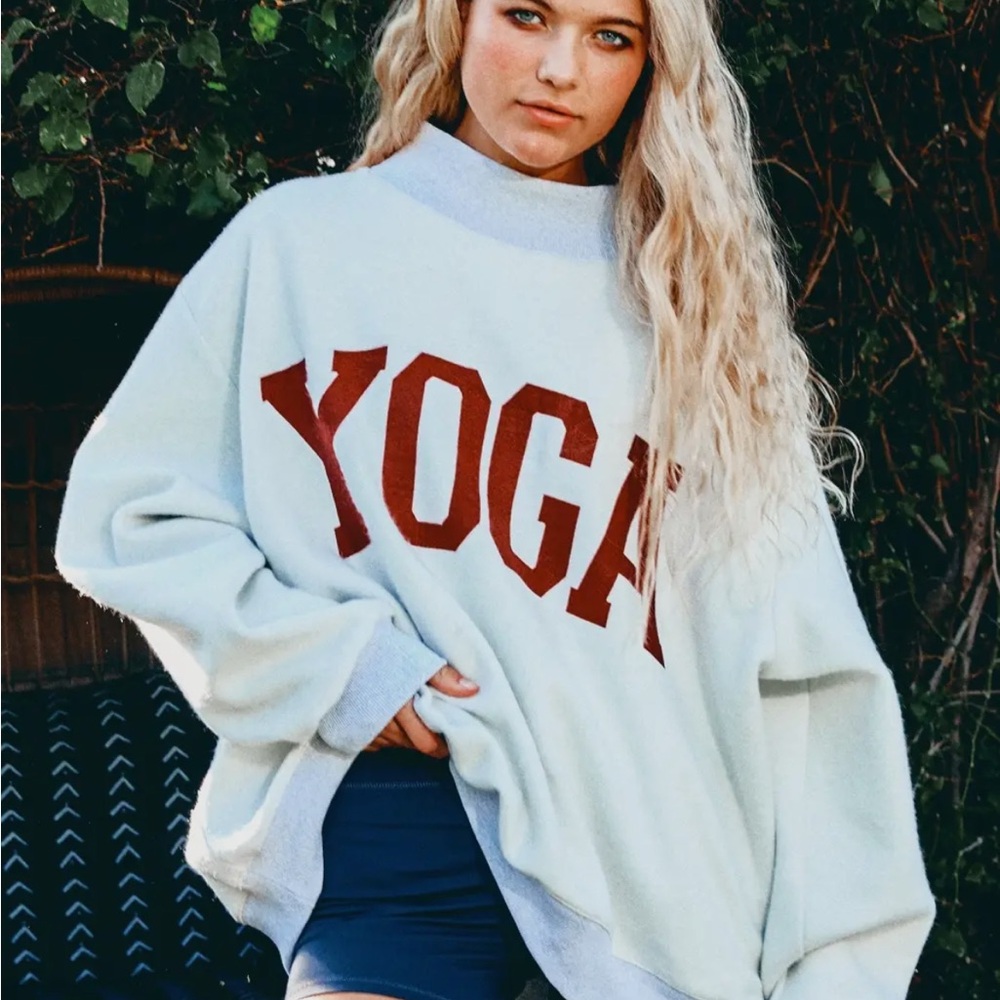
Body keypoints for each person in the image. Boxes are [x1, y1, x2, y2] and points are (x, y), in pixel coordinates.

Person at [55, 1, 936, 998]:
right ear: (457, 19)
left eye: (611, 36)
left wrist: (841, 972)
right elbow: (135, 513)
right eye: (526, 15)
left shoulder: (697, 315)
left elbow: (812, 688)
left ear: (651, 66)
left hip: (654, 894)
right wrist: (346, 668)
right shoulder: (305, 246)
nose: (561, 68)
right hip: (403, 831)